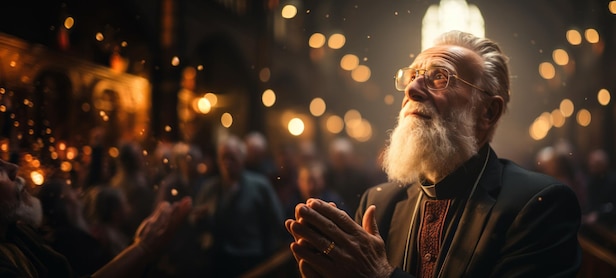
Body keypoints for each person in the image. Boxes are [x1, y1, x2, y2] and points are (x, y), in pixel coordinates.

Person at [285, 30, 582, 277]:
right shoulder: (378, 203)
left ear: (488, 111)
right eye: (412, 75)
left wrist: (380, 275)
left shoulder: (540, 205)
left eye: (440, 76)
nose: (412, 89)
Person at [0, 158, 192, 277]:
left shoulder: (19, 236)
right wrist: (143, 248)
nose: (13, 168)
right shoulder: (69, 239)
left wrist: (141, 248)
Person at [192, 135, 288, 277]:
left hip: (251, 258)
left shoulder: (260, 186)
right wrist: (198, 218)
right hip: (218, 259)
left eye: (232, 158)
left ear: (242, 159)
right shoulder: (210, 188)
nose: (227, 163)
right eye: (223, 158)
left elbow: (277, 221)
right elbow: (194, 222)